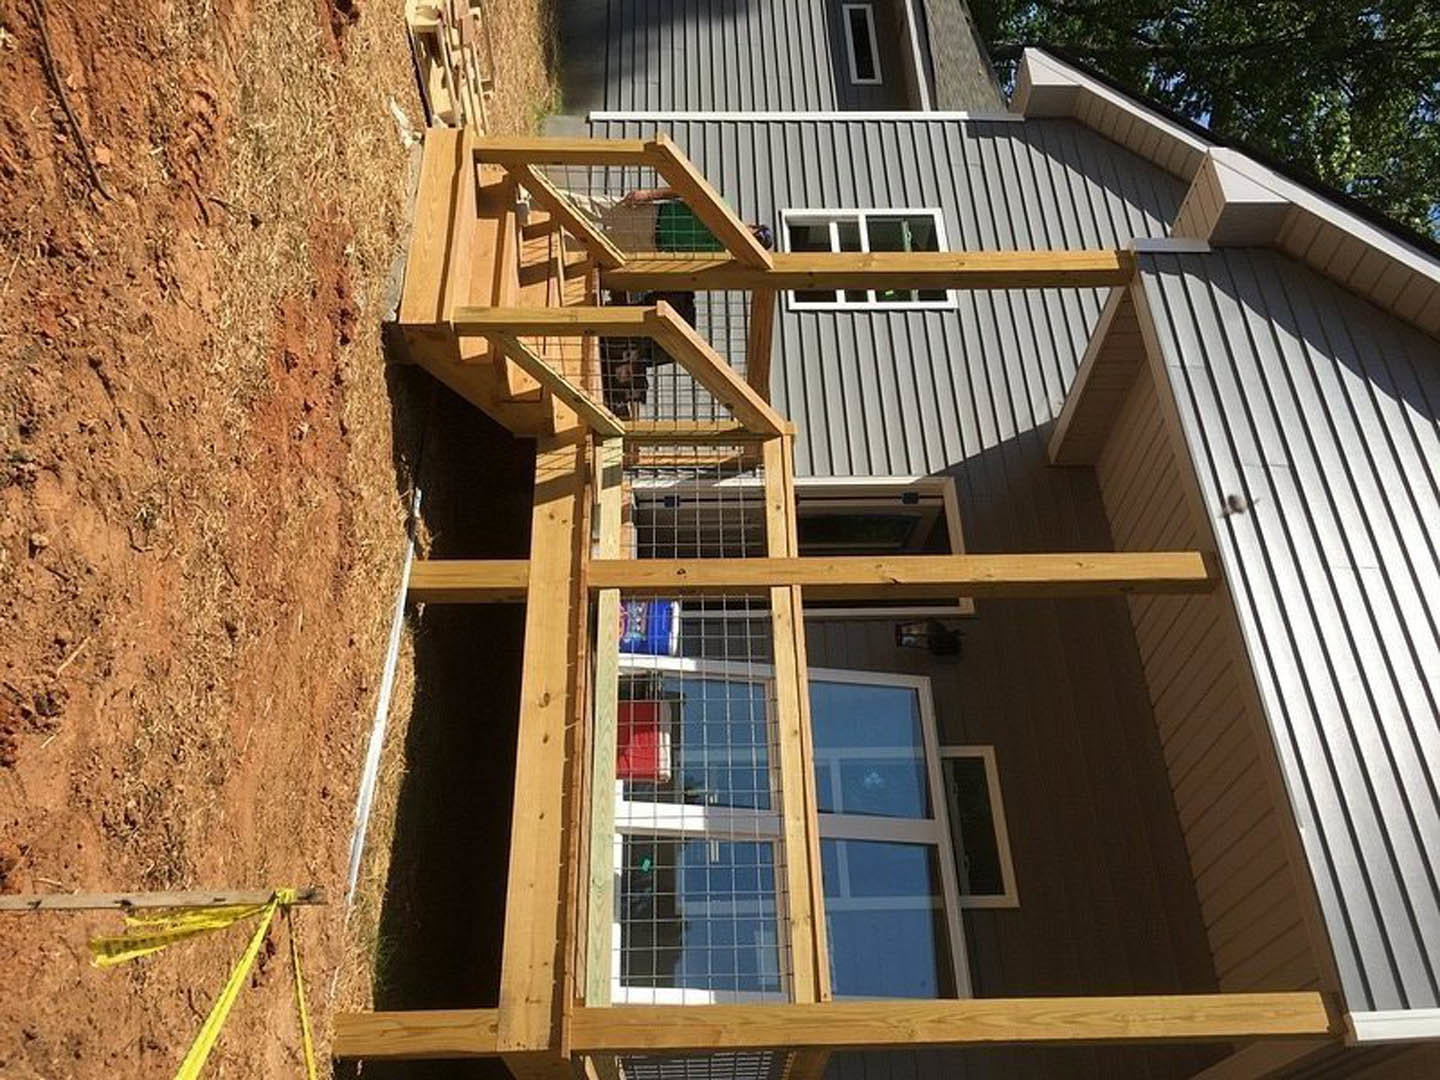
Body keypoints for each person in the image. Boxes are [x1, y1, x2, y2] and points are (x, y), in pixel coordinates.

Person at [560, 184, 773, 254]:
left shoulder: (722, 253)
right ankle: (534, 198)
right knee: (586, 205)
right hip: (651, 216)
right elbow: (685, 190)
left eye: (752, 245)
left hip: (651, 245)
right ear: (751, 226)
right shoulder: (722, 209)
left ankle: (542, 242)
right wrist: (648, 195)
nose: (747, 241)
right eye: (753, 237)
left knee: (591, 244)